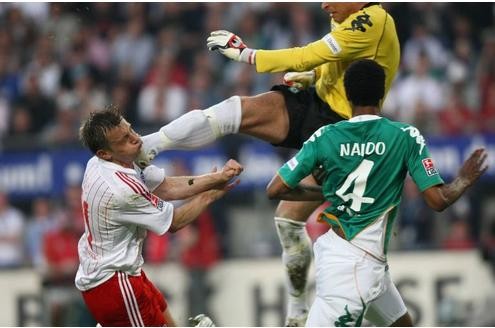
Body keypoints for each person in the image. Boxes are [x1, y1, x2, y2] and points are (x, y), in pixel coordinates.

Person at [137, 4, 400, 325]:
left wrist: (247, 55)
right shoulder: (344, 17)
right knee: (234, 109)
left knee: (288, 220)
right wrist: (312, 76)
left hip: (345, 131)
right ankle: (150, 144)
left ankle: (298, 313)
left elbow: (309, 53)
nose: (323, 5)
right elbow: (331, 63)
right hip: (316, 102)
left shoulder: (371, 22)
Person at [265, 59, 488, 327]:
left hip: (356, 258)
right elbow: (438, 201)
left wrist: (324, 192)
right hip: (353, 271)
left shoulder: (324, 136)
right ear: (383, 93)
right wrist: (462, 180)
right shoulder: (405, 136)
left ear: (347, 95)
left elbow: (275, 188)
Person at [75, 107, 243, 327]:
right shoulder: (122, 190)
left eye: (131, 130)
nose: (136, 139)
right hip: (114, 283)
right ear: (105, 153)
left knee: (167, 319)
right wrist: (208, 196)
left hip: (123, 274)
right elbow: (174, 222)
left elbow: (165, 187)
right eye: (125, 139)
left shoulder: (101, 163)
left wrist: (216, 178)